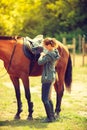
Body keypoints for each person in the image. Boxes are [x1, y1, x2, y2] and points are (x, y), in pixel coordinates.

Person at [38, 37, 60, 123]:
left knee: (44, 99)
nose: (44, 47)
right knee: (49, 98)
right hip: (52, 76)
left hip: (47, 78)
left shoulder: (49, 54)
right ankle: (52, 116)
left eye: (45, 45)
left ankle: (49, 118)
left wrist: (41, 56)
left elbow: (40, 62)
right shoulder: (55, 52)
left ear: (49, 45)